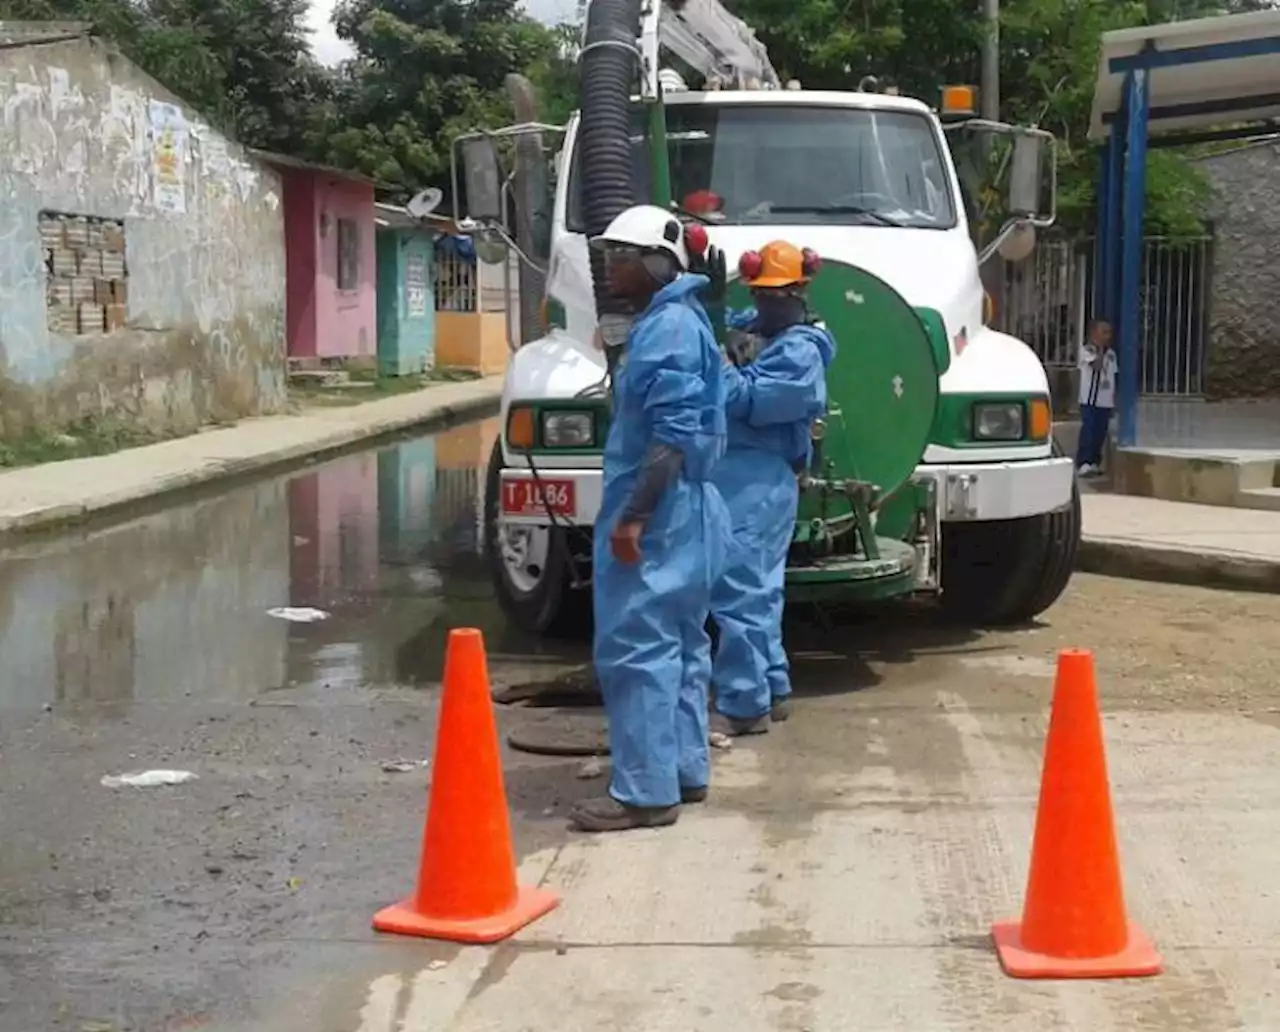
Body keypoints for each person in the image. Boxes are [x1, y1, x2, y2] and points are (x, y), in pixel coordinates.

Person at [569, 204, 730, 833]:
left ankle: (643, 793)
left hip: (660, 512)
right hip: (690, 510)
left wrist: (634, 517)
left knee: (638, 650)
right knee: (684, 644)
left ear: (660, 264)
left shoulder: (665, 331)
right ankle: (683, 771)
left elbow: (669, 436)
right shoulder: (683, 321)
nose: (611, 265)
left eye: (622, 255)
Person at [709, 241, 835, 737]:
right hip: (738, 474)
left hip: (760, 478)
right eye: (761, 295)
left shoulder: (801, 353)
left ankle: (745, 703)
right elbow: (727, 322)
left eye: (777, 295)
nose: (766, 303)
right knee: (758, 591)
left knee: (741, 591)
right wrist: (729, 330)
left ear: (800, 292)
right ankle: (773, 686)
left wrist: (720, 362)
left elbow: (752, 400)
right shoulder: (761, 326)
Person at [1076, 318, 1117, 477]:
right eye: (1104, 332)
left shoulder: (1111, 354)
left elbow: (1112, 376)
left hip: (1105, 401)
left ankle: (1094, 461)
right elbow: (1097, 366)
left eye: (1109, 333)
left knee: (1100, 432)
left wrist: (1114, 401)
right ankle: (1083, 462)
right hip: (1089, 400)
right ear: (1094, 333)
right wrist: (1099, 349)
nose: (1108, 336)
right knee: (1089, 430)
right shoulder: (1087, 350)